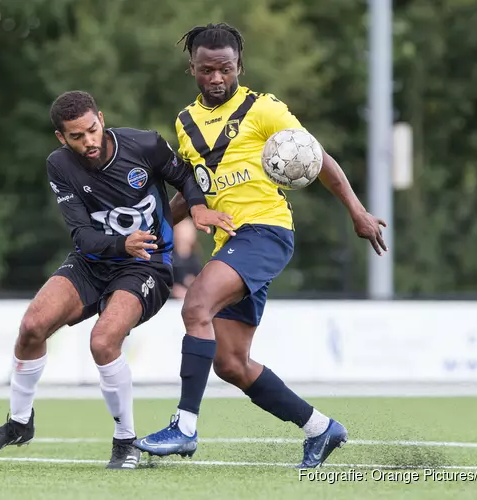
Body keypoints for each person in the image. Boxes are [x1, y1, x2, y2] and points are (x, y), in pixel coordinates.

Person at [133, 23, 387, 468]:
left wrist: (357, 211)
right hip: (230, 244)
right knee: (231, 362)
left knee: (195, 306)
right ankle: (321, 428)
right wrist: (154, 230)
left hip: (266, 231)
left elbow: (316, 155)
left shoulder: (263, 109)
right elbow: (194, 189)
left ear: (239, 67)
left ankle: (184, 428)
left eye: (225, 69)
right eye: (207, 69)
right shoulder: (185, 122)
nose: (216, 78)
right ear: (191, 67)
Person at [0, 90, 233, 469]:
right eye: (77, 136)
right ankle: (19, 424)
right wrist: (121, 243)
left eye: (92, 130)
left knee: (103, 340)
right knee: (31, 328)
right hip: (92, 261)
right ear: (62, 138)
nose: (88, 141)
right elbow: (81, 235)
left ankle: (125, 441)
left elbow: (186, 176)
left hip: (147, 265)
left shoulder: (145, 144)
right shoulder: (59, 165)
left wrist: (198, 208)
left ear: (102, 119)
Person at [171, 219, 204, 299]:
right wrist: (173, 291)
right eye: (182, 231)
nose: (184, 236)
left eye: (187, 231)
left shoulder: (195, 260)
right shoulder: (168, 257)